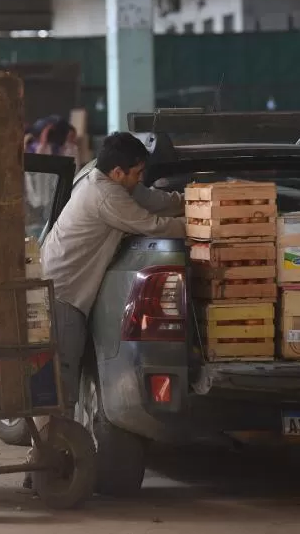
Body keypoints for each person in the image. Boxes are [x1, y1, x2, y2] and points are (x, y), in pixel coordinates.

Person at [23, 132, 185, 488]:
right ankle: (47, 476)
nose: (139, 178)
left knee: (59, 388)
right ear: (117, 172)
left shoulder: (108, 180)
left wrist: (192, 201)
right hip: (63, 297)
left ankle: (39, 470)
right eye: (136, 172)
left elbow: (153, 200)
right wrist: (205, 225)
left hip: (60, 291)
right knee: (60, 391)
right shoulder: (104, 195)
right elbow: (151, 224)